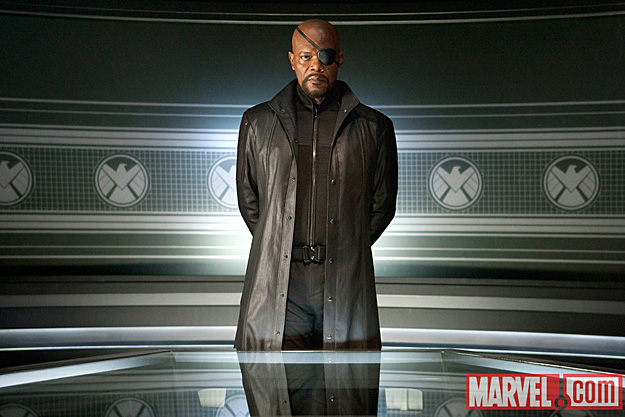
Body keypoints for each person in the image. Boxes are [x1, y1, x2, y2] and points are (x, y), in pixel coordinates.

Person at [235, 19, 397, 351]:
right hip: (281, 281)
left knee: (346, 379)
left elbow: (382, 204)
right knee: (277, 376)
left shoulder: (374, 127)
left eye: (324, 56)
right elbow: (249, 199)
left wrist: (346, 245)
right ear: (292, 59)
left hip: (343, 277)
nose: (315, 66)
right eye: (306, 56)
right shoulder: (258, 122)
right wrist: (279, 240)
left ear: (339, 59)